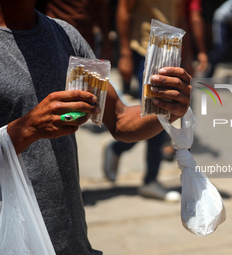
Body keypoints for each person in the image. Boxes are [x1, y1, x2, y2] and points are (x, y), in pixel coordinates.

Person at [0, 1, 191, 254]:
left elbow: (120, 120)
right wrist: (26, 130)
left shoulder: (63, 35)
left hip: (69, 240)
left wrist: (168, 107)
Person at [103, 0, 206, 202]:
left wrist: (189, 55)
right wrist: (124, 53)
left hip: (172, 52)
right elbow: (124, 9)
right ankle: (148, 178)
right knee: (156, 112)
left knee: (162, 117)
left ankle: (122, 152)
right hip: (144, 51)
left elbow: (182, 17)